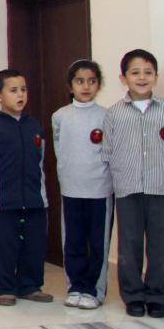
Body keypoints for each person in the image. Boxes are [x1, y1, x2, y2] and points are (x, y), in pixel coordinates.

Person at [103, 49, 164, 318]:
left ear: (156, 77)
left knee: (160, 247)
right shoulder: (114, 114)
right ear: (123, 78)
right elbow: (107, 152)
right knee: (129, 245)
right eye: (135, 72)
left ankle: (157, 296)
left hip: (161, 187)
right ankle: (133, 296)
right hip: (128, 188)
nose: (142, 77)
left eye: (148, 72)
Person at [0, 69, 50, 306]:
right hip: (4, 202)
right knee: (5, 246)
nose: (20, 95)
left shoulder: (34, 126)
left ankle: (30, 286)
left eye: (23, 89)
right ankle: (6, 288)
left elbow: (42, 160)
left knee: (34, 245)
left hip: (34, 199)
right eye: (13, 90)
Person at [52, 60, 112, 310]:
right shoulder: (60, 116)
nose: (86, 86)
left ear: (98, 85)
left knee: (97, 243)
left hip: (100, 189)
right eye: (80, 81)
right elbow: (60, 150)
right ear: (70, 86)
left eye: (91, 81)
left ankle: (93, 290)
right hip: (71, 189)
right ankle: (75, 286)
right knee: (73, 240)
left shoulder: (107, 116)